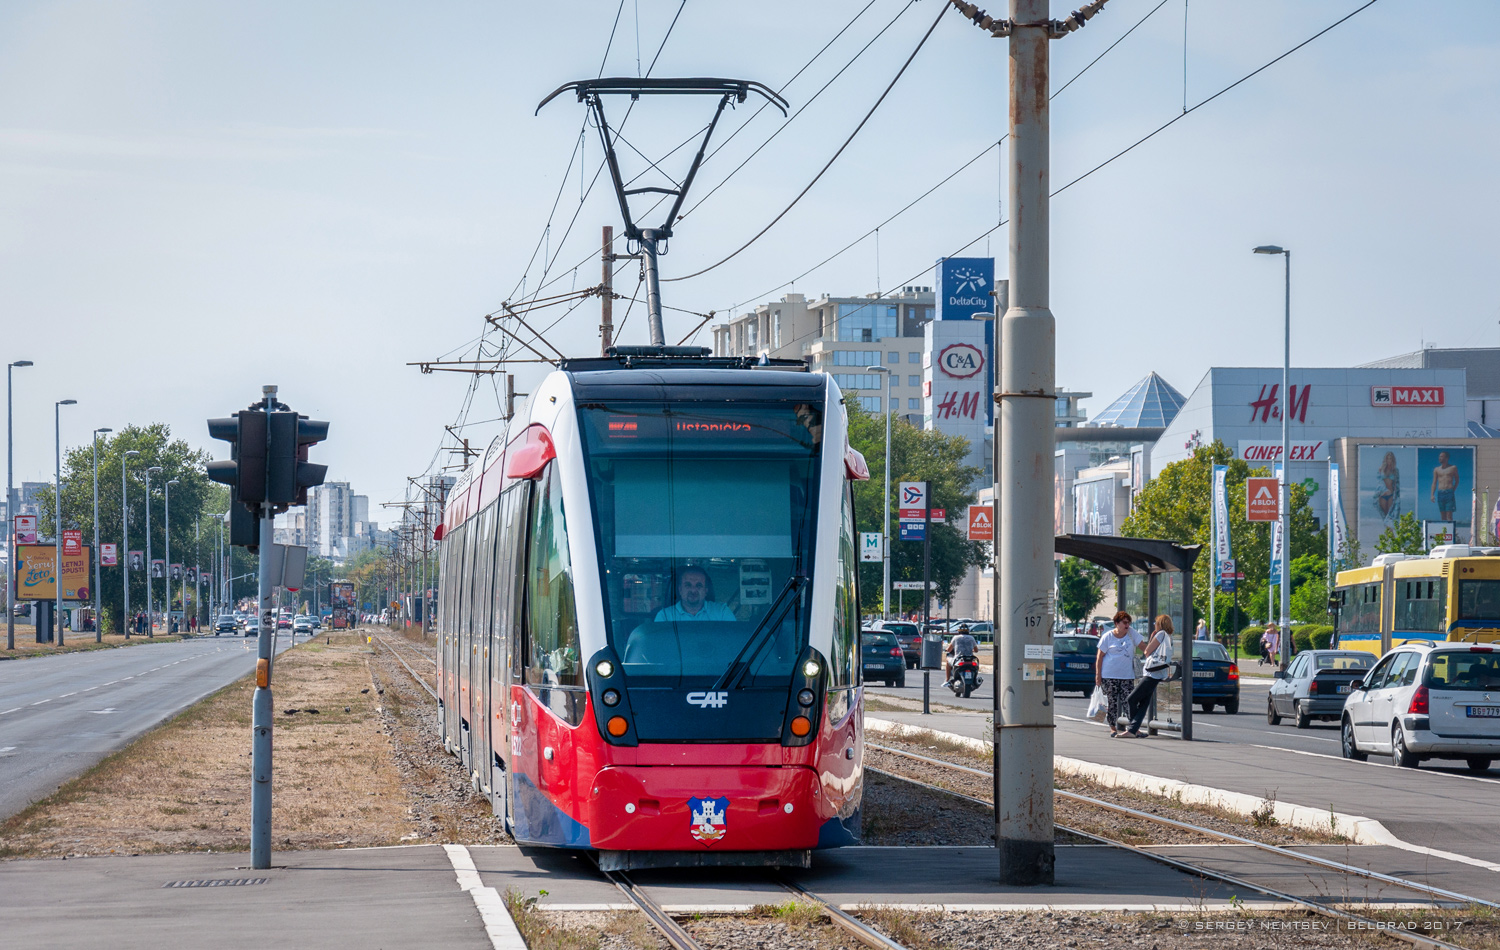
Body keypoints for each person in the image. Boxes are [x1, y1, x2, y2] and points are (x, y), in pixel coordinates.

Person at [1120, 615, 1174, 738]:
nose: (1154, 625)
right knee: (1143, 703)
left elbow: (1147, 651)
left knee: (1131, 699)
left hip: (1152, 673)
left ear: (1160, 624)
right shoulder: (1168, 636)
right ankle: (1134, 730)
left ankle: (1132, 729)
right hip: (1158, 672)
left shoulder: (1160, 634)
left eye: (1156, 623)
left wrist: (1151, 639)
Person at [1095, 611, 1143, 737]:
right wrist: (1098, 675)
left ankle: (1134, 729)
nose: (1127, 625)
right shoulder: (1108, 636)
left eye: (1128, 623)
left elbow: (1144, 647)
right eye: (1124, 623)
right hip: (1109, 676)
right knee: (1112, 703)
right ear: (1117, 623)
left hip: (1127, 676)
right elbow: (1099, 657)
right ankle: (1112, 727)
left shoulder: (1131, 633)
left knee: (1129, 702)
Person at [653, 567, 736, 622]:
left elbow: (733, 640)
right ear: (680, 590)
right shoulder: (665, 616)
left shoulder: (722, 613)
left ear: (706, 591)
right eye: (688, 585)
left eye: (699, 585)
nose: (693, 590)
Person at [1431, 450, 1459, 521]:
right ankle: (1444, 528)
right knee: (1443, 515)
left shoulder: (1453, 468)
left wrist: (1453, 490)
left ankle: (1451, 527)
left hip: (1449, 492)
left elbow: (1457, 480)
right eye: (1439, 456)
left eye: (1441, 456)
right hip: (1440, 493)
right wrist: (1432, 495)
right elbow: (1434, 482)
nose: (1439, 458)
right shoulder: (1436, 469)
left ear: (1446, 458)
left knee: (1449, 515)